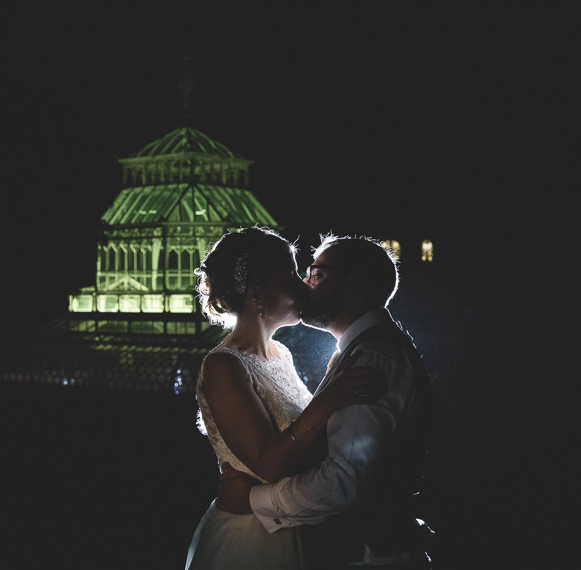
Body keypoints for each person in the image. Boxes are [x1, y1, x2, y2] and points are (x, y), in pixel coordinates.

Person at [216, 235, 435, 569]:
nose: (305, 283)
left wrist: (251, 499)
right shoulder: (363, 352)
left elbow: (343, 481)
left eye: (316, 273)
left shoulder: (371, 358)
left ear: (353, 284)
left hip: (369, 555)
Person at [185, 228, 387, 570]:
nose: (302, 284)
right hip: (252, 540)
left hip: (295, 524)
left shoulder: (281, 354)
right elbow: (267, 463)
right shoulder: (223, 366)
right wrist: (328, 401)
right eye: (290, 275)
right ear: (257, 294)